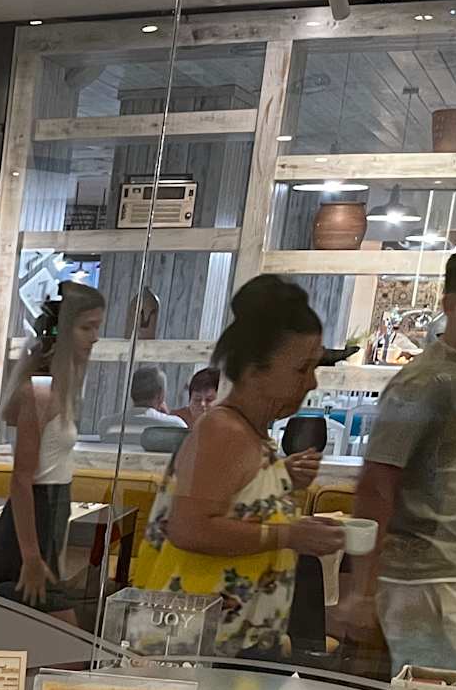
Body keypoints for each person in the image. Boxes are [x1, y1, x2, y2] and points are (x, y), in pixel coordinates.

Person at [339, 231, 456, 682]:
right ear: (454, 304)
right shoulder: (423, 383)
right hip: (419, 585)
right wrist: (363, 592)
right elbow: (376, 486)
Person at [130, 276, 346, 658]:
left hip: (233, 638)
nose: (312, 382)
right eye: (301, 369)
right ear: (254, 371)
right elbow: (190, 527)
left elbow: (234, 499)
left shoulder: (248, 432)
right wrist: (289, 535)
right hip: (199, 644)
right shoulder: (223, 430)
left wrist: (282, 477)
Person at [0, 280, 105, 610]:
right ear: (65, 331)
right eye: (87, 327)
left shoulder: (61, 388)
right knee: (54, 627)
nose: (95, 338)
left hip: (53, 509)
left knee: (42, 628)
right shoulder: (42, 392)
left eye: (97, 327)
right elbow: (21, 479)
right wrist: (31, 556)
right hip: (37, 515)